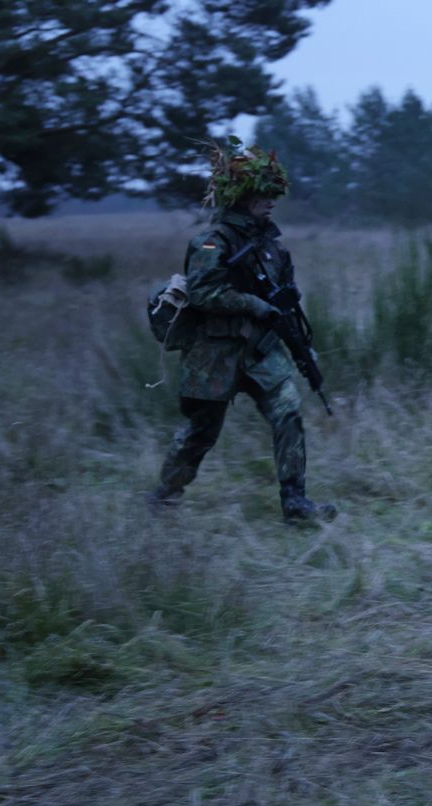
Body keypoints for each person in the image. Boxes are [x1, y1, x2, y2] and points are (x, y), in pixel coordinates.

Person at [149, 140, 336, 522]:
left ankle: (295, 504)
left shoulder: (272, 247)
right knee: (201, 432)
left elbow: (286, 303)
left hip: (260, 350)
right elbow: (202, 292)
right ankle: (165, 497)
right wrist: (254, 305)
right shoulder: (211, 242)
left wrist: (300, 346)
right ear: (244, 197)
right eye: (263, 195)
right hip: (214, 353)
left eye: (272, 195)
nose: (271, 203)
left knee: (288, 413)